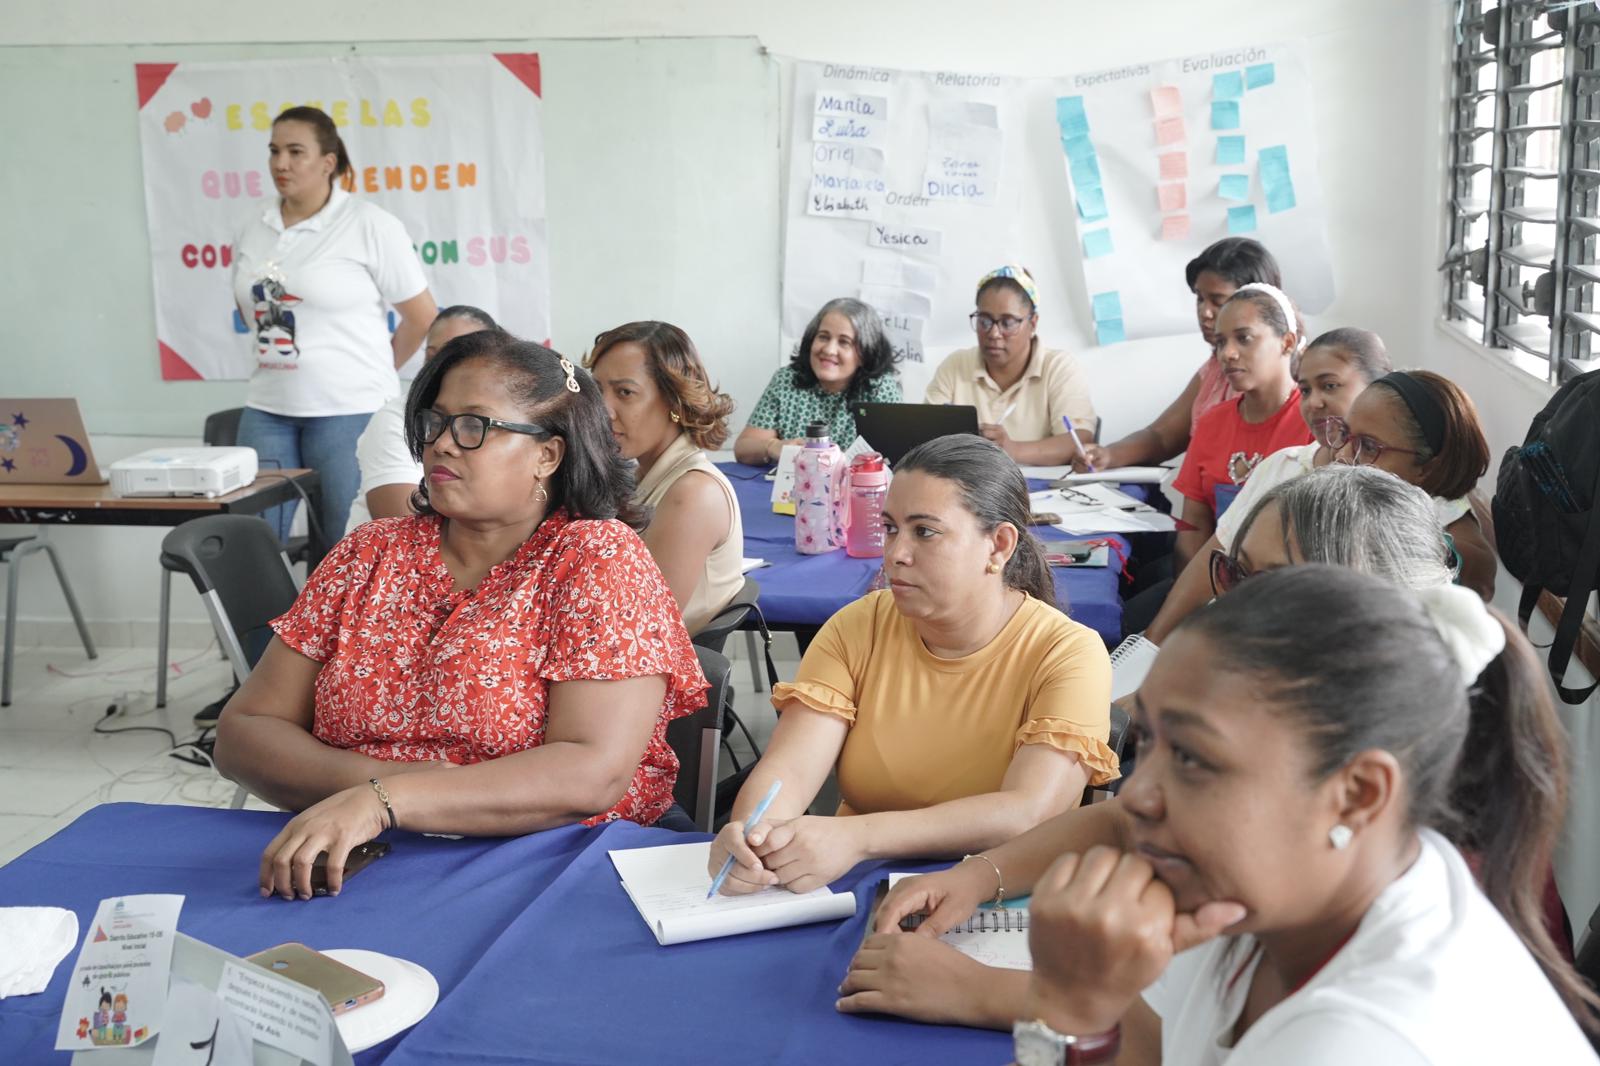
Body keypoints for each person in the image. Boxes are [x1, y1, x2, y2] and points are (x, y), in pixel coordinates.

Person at [852, 468, 1578, 1036]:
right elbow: (1137, 826)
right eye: (1231, 573)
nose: (1135, 792)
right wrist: (982, 874)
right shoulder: (1300, 776)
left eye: (1263, 585)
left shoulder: (1386, 934)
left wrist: (1002, 995)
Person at [1013, 568, 1597, 1062]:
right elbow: (1153, 1045)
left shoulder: (1369, 1041)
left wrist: (1068, 1008)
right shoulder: (1281, 886)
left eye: (1191, 757)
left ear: (1359, 794)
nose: (1135, 795)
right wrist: (1087, 1002)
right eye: (1145, 741)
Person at [214, 330, 708, 901]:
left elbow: (590, 773)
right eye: (435, 423)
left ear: (548, 454)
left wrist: (385, 801)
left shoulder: (595, 557)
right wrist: (382, 792)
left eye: (475, 426)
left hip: (555, 865)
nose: (442, 445)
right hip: (361, 857)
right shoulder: (368, 554)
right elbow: (243, 733)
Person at [706, 434, 1116, 896]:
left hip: (996, 895)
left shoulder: (1067, 653)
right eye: (892, 528)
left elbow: (1026, 813)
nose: (896, 553)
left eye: (925, 531)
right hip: (856, 882)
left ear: (998, 546)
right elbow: (791, 772)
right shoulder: (859, 626)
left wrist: (860, 838)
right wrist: (749, 836)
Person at [232, 106, 438, 551]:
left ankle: (332, 626)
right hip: (267, 408)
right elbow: (248, 302)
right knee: (254, 546)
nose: (280, 163)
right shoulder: (254, 223)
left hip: (349, 410)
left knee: (344, 549)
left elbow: (422, 316)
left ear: (328, 162)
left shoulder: (369, 224)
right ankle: (265, 625)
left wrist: (378, 368)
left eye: (295, 152)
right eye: (273, 151)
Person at [1141, 327, 1391, 643]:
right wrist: (1151, 643)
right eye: (1305, 390)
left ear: (1377, 389)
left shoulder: (1388, 481)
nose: (1314, 402)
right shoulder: (1283, 464)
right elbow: (1216, 551)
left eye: (1329, 386)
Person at [587, 320, 744, 635]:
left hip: (653, 671)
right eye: (597, 390)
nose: (604, 410)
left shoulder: (693, 494)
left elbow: (640, 628)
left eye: (625, 392)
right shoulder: (641, 475)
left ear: (674, 402)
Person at [1077, 238, 1282, 472]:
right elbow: (1162, 437)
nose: (1204, 312)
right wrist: (1107, 454)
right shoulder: (1214, 368)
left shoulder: (1289, 380)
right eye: (1199, 298)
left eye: (1218, 301)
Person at [1169, 283, 1311, 575]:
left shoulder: (1313, 424)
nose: (1228, 354)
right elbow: (1193, 528)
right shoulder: (1212, 422)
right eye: (1220, 342)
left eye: (1244, 339)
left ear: (1287, 342)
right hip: (1212, 580)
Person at [1323, 369, 1496, 600]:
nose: (1341, 455)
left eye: (1369, 446)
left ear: (1426, 468)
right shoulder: (1364, 503)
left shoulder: (1455, 555)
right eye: (1345, 434)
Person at [345, 306, 499, 532]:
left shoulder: (506, 417)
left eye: (455, 356)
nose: (438, 367)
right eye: (431, 355)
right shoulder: (395, 419)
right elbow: (404, 528)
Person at [923, 265, 1097, 466]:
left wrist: (1012, 449)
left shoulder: (1058, 367)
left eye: (1007, 323)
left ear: (1033, 323)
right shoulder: (955, 366)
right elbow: (926, 434)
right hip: (972, 489)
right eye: (984, 321)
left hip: (1045, 490)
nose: (994, 333)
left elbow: (1080, 440)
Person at [733, 298, 901, 464]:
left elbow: (897, 459)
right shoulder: (787, 380)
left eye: (844, 342)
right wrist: (773, 446)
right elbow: (743, 448)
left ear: (866, 352)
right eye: (823, 337)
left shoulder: (880, 388)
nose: (829, 349)